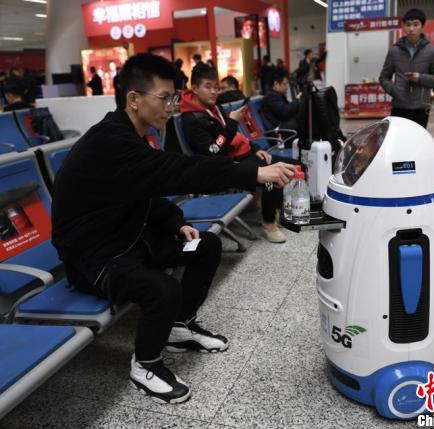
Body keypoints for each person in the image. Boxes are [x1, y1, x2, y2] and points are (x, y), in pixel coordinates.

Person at [51, 54, 294, 404]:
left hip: (130, 238)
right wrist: (252, 174)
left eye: (173, 98)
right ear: (133, 99)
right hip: (95, 257)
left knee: (206, 246)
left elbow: (146, 190)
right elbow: (176, 171)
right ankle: (145, 365)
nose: (171, 106)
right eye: (164, 98)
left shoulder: (135, 134)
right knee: (162, 289)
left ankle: (178, 327)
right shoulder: (110, 141)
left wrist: (176, 223)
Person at [180, 64, 298, 243]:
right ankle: (268, 223)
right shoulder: (191, 120)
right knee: (272, 180)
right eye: (208, 87)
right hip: (222, 167)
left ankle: (274, 211)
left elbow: (234, 137)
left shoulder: (214, 107)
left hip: (242, 156)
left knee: (290, 166)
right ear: (194, 88)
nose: (213, 92)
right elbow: (213, 151)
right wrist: (232, 122)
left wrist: (257, 149)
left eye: (216, 87)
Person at [379, 8, 434, 128]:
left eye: (415, 24)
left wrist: (420, 78)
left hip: (421, 107)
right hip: (399, 106)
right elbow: (383, 77)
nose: (411, 28)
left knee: (417, 143)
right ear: (403, 27)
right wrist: (394, 90)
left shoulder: (432, 51)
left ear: (422, 26)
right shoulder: (394, 51)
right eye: (408, 25)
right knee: (399, 142)